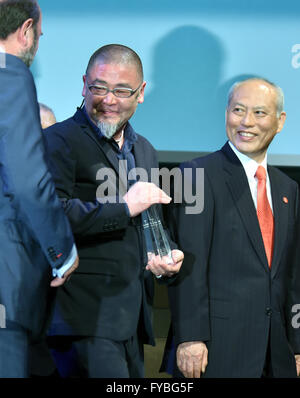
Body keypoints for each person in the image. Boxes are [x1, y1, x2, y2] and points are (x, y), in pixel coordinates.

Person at [44, 44, 184, 378]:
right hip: (81, 318)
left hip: (132, 321)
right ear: (83, 84)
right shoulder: (57, 141)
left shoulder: (145, 150)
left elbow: (145, 224)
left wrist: (162, 256)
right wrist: (124, 206)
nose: (108, 100)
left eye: (121, 90)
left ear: (141, 93)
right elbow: (52, 215)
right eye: (99, 88)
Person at [163, 77, 300, 378]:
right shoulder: (196, 175)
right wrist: (190, 337)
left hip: (276, 354)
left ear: (280, 122)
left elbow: (291, 276)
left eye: (259, 113)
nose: (246, 122)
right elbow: (189, 265)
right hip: (216, 351)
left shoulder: (287, 188)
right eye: (238, 110)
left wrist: (297, 343)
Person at [0, 0, 79, 378]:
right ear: (26, 30)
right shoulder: (9, 73)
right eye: (40, 35)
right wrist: (62, 251)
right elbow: (28, 178)